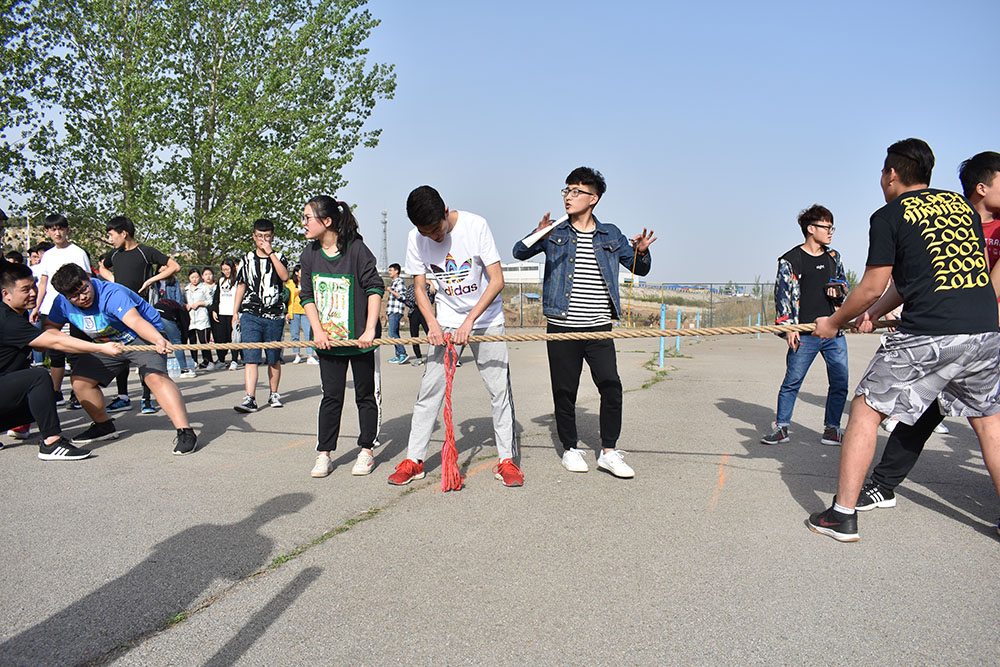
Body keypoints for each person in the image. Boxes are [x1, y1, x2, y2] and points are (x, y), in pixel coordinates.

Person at [808, 138, 1000, 542]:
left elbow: (871, 284)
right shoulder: (961, 207)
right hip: (985, 329)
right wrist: (874, 314)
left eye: (883, 173)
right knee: (989, 424)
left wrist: (834, 321)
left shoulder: (889, 215)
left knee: (866, 409)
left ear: (891, 174)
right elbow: (925, 275)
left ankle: (842, 514)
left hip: (931, 330)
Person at [854, 150, 1000, 515]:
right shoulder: (954, 218)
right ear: (981, 187)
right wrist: (874, 310)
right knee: (920, 415)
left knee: (987, 424)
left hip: (975, 333)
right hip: (961, 333)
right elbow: (916, 279)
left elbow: (986, 288)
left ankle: (860, 499)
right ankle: (883, 485)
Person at [512, 167, 656, 477]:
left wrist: (642, 253)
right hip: (562, 325)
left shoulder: (611, 234)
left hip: (599, 327)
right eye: (566, 190)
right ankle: (570, 448)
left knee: (611, 386)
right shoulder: (555, 232)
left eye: (576, 191)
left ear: (594, 198)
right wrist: (538, 232)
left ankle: (609, 452)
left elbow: (638, 268)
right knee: (565, 390)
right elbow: (519, 252)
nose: (568, 196)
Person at [388, 185, 523, 487]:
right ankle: (414, 459)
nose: (433, 238)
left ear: (446, 211)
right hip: (447, 319)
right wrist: (433, 323)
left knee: (499, 390)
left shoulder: (476, 226)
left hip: (486, 319)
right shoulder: (416, 238)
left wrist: (470, 321)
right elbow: (419, 287)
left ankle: (507, 459)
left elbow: (497, 280)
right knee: (430, 389)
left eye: (437, 230)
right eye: (425, 233)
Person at [45, 263, 198, 455]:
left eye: (84, 289)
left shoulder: (111, 293)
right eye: (74, 296)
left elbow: (135, 321)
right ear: (65, 296)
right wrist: (59, 338)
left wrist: (157, 339)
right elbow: (50, 326)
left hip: (142, 336)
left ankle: (185, 431)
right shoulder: (61, 303)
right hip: (106, 344)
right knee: (80, 381)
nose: (82, 297)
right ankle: (103, 426)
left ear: (88, 279)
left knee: (154, 377)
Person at [1, 262, 125, 458]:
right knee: (39, 377)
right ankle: (52, 443)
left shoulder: (18, 314)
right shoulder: (7, 320)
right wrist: (101, 347)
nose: (33, 293)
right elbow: (55, 342)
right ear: (6, 294)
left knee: (41, 399)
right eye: (25, 290)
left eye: (34, 286)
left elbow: (41, 345)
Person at [299, 195, 384, 477]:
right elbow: (307, 296)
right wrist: (318, 330)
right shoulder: (309, 254)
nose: (304, 224)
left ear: (326, 221)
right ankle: (324, 453)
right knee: (331, 397)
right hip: (329, 342)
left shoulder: (356, 250)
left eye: (307, 218)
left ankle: (366, 450)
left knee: (365, 396)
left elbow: (374, 288)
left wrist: (369, 329)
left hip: (360, 341)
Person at [759, 205, 849, 446]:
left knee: (840, 382)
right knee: (792, 381)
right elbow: (782, 295)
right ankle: (781, 427)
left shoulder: (834, 257)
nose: (830, 232)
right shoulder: (790, 260)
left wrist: (839, 290)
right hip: (804, 333)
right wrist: (789, 327)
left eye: (832, 228)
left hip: (833, 331)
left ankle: (832, 429)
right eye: (826, 227)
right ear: (811, 229)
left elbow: (844, 285)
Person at [99, 215, 181, 414]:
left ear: (123, 233)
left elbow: (175, 266)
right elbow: (102, 267)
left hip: (140, 311)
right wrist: (113, 280)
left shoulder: (145, 252)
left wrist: (152, 280)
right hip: (119, 313)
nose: (110, 239)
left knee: (146, 353)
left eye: (111, 235)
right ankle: (123, 396)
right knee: (121, 352)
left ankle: (147, 399)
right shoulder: (114, 254)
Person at [30, 214, 92, 407]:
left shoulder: (78, 252)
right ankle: (56, 392)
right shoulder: (48, 256)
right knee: (55, 352)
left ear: (67, 230)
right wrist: (37, 307)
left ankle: (78, 392)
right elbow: (43, 283)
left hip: (74, 308)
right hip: (51, 308)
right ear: (47, 232)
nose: (57, 233)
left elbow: (88, 280)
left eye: (60, 229)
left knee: (77, 352)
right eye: (53, 229)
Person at [233, 218, 289, 412]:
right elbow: (241, 285)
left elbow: (284, 276)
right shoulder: (247, 258)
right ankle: (250, 397)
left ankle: (274, 394)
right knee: (251, 357)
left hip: (274, 314)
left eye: (267, 236)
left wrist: (270, 253)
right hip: (250, 313)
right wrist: (235, 312)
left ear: (272, 237)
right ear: (253, 236)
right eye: (259, 236)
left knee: (273, 358)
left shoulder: (279, 257)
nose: (263, 240)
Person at [211, 259, 241, 370]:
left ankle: (234, 360)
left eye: (227, 269)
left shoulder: (238, 281)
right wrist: (214, 310)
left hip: (233, 313)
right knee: (220, 338)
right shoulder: (221, 281)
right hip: (222, 312)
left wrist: (237, 312)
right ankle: (221, 359)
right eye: (223, 270)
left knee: (234, 338)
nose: (225, 272)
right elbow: (217, 296)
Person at [183, 268, 214, 370]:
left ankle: (208, 361)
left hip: (202, 318)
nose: (195, 279)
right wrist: (185, 305)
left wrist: (200, 303)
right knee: (192, 341)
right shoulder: (186, 289)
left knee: (203, 341)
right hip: (190, 318)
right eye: (192, 277)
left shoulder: (204, 288)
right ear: (189, 278)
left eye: (196, 277)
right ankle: (194, 361)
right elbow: (182, 301)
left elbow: (210, 301)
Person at [286, 265, 317, 365]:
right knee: (295, 335)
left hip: (306, 312)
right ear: (296, 272)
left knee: (308, 334)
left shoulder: (307, 282)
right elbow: (286, 298)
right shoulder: (290, 283)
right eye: (301, 271)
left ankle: (310, 356)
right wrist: (286, 312)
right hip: (293, 311)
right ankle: (297, 355)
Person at [404, 280, 435, 366]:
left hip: (425, 313)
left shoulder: (427, 287)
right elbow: (407, 300)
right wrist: (415, 302)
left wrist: (422, 303)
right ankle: (418, 357)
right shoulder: (411, 287)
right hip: (413, 312)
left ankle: (434, 356)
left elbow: (431, 300)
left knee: (431, 334)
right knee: (414, 336)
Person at [384, 263, 408, 364]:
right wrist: (387, 313)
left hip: (396, 311)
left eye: (391, 270)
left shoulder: (399, 282)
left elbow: (403, 296)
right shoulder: (394, 282)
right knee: (395, 333)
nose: (389, 272)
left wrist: (391, 291)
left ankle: (403, 353)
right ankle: (398, 355)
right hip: (392, 311)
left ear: (396, 271)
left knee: (392, 333)